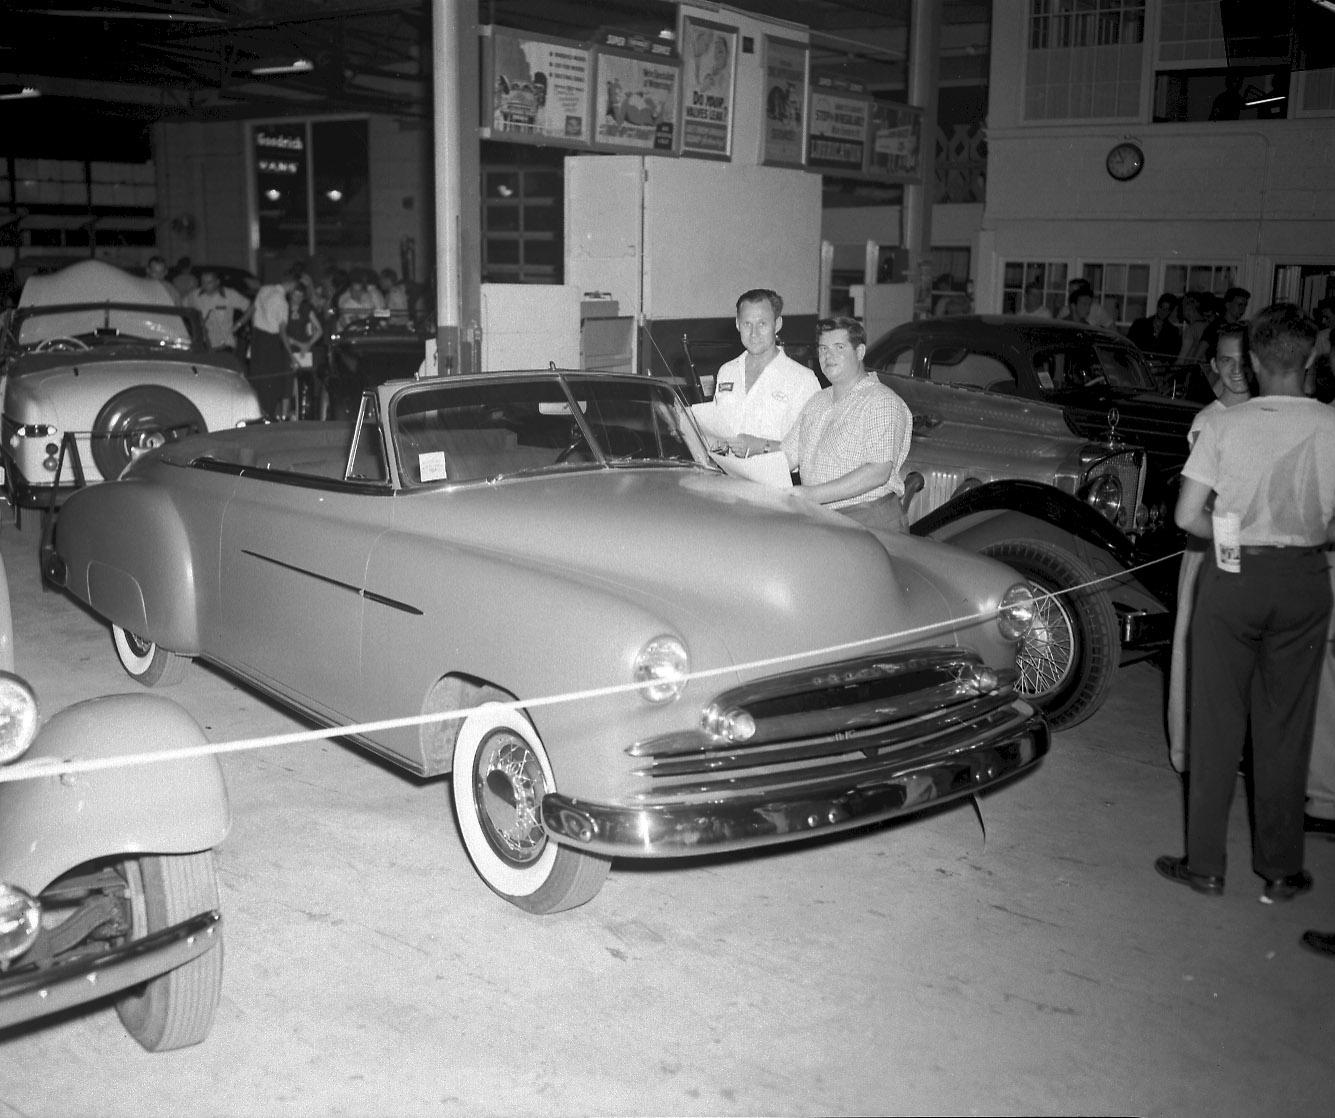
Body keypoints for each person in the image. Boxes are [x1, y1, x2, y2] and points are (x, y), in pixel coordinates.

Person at [1156, 303, 1335, 903]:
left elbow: (1187, 516)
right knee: (1286, 728)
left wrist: (1233, 526)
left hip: (1233, 578)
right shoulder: (1332, 426)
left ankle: (1205, 865)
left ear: (1254, 362)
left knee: (1215, 722)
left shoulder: (1226, 427)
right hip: (1305, 579)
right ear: (1312, 359)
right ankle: (1281, 870)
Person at [1164, 323, 1253, 772]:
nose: (1236, 371)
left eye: (1244, 360)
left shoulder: (1263, 413)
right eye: (1226, 361)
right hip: (1214, 543)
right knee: (1199, 647)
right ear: (1214, 365)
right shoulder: (1210, 420)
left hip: (1254, 549)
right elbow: (1209, 501)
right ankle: (1192, 749)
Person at [778, 316, 913, 535]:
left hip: (869, 522)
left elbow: (878, 472)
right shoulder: (817, 401)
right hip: (823, 520)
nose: (828, 356)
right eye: (822, 348)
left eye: (838, 347)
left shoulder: (881, 401)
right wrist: (739, 466)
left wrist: (810, 494)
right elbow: (787, 456)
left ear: (860, 352)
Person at [690, 289, 820, 456]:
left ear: (777, 324)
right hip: (728, 477)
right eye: (747, 324)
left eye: (762, 324)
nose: (754, 334)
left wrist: (762, 447)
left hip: (776, 481)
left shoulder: (803, 380)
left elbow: (812, 450)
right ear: (737, 324)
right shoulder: (727, 371)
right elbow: (718, 433)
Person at [239, 267, 301, 419]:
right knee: (271, 380)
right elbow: (282, 332)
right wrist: (291, 355)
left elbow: (252, 309)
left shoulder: (264, 289)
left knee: (257, 376)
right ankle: (268, 414)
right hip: (272, 343)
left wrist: (238, 324)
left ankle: (256, 412)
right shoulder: (282, 303)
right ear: (292, 284)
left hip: (257, 339)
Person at [282, 281, 324, 418]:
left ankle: (306, 412)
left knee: (306, 379)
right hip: (289, 348)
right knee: (288, 380)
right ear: (290, 295)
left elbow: (319, 330)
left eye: (301, 296)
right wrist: (299, 344)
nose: (297, 299)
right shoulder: (284, 307)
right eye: (295, 295)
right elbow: (281, 332)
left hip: (305, 350)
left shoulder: (306, 308)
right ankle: (284, 414)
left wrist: (309, 344)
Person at [185, 267, 251, 352]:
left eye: (209, 282)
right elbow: (181, 307)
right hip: (203, 344)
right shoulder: (195, 295)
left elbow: (251, 307)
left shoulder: (230, 295)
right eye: (203, 282)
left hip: (225, 344)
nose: (205, 285)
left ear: (217, 282)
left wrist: (238, 325)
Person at [1128, 293, 1182, 359]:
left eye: (1166, 309)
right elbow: (1130, 346)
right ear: (1157, 307)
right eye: (1161, 308)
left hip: (1159, 368)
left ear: (1170, 311)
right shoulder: (1139, 324)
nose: (1163, 312)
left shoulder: (1173, 331)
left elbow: (1172, 356)